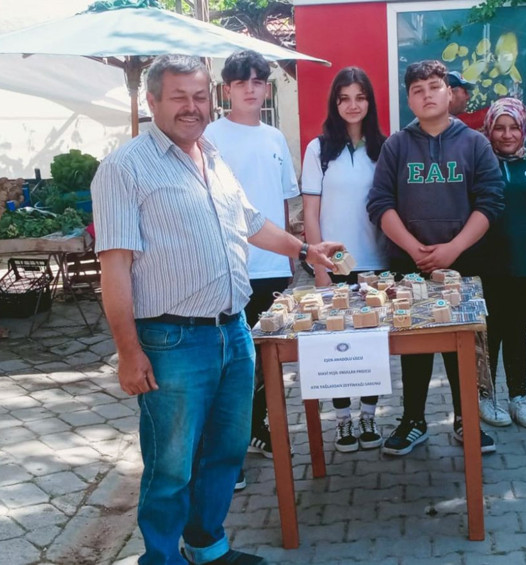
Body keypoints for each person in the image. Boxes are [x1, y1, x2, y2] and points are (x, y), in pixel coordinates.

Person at [92, 54, 342, 565]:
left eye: (200, 96)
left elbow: (251, 222)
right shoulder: (124, 168)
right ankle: (161, 559)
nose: (192, 107)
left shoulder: (212, 155)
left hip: (234, 330)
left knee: (226, 451)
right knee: (171, 467)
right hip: (172, 341)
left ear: (212, 99)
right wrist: (128, 353)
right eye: (179, 97)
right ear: (152, 100)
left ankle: (206, 545)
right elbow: (114, 269)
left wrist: (304, 250)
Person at [367, 59, 504, 456]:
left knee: (463, 345)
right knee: (415, 346)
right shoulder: (396, 146)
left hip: (465, 264)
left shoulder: (475, 144)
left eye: (434, 87)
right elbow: (379, 203)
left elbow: (491, 202)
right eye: (417, 90)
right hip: (409, 266)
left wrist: (454, 248)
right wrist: (414, 249)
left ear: (450, 93)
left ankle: (466, 419)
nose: (426, 95)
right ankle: (413, 420)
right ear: (409, 100)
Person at [204, 50, 299, 480]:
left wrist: (289, 256)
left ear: (266, 88)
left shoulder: (275, 138)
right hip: (229, 268)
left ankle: (257, 427)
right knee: (231, 362)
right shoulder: (210, 137)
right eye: (240, 82)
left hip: (273, 267)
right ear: (227, 89)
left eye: (257, 81)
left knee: (267, 359)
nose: (249, 89)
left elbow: (282, 202)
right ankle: (227, 450)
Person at [301, 67, 389, 453]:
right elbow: (310, 213)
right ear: (334, 103)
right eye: (344, 98)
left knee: (370, 343)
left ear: (370, 102)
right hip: (335, 264)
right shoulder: (318, 150)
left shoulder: (384, 148)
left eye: (360, 97)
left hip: (376, 262)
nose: (352, 105)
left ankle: (369, 415)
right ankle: (342, 420)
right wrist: (321, 267)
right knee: (337, 344)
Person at [479, 97, 526, 428]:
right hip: (487, 265)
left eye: (514, 127)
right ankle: (486, 396)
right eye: (499, 127)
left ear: (524, 129)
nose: (507, 134)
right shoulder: (480, 161)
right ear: (489, 129)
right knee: (489, 333)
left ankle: (518, 398)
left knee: (517, 331)